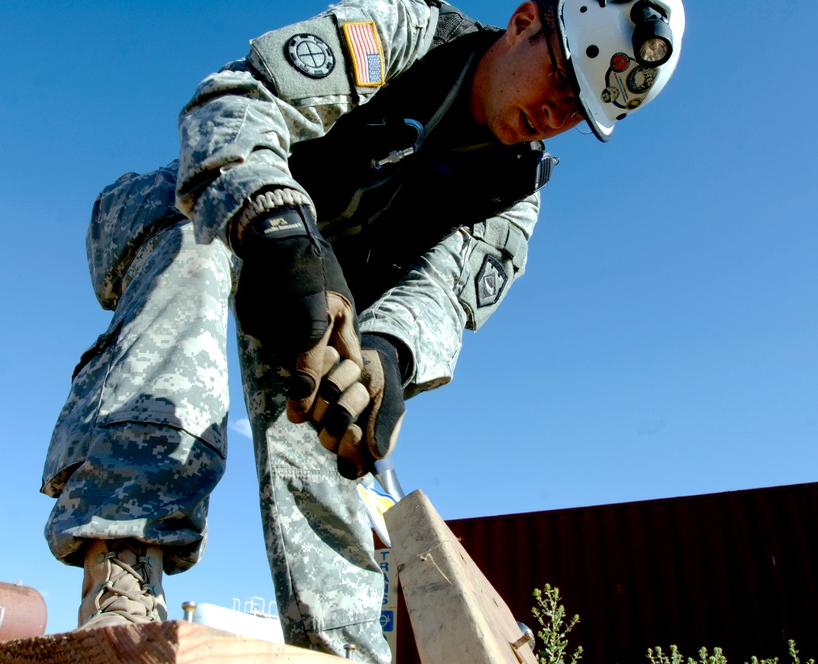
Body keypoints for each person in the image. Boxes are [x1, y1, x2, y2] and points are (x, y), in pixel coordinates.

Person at [40, 0, 685, 661]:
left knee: (336, 415)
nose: (559, 113)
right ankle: (121, 576)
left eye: (580, 110)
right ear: (524, 22)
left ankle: (341, 649)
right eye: (562, 77)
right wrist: (279, 230)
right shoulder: (404, 34)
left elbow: (439, 298)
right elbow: (235, 104)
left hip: (321, 308)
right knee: (191, 252)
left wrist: (385, 356)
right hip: (213, 212)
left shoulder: (513, 190)